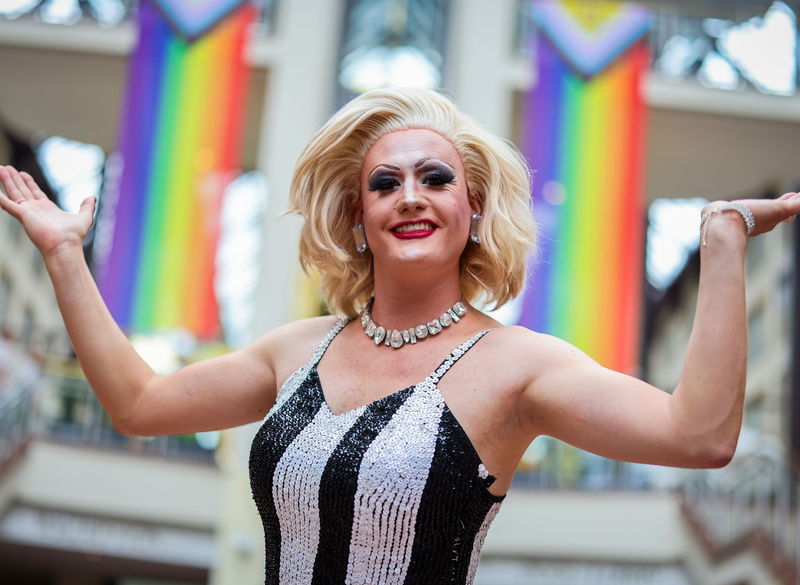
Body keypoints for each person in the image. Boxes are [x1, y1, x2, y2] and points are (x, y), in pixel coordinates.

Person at [1, 87, 798, 584]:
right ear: (359, 218)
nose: (409, 196)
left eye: (436, 177)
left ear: (473, 208)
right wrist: (64, 254)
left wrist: (722, 245)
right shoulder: (296, 349)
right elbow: (137, 402)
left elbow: (699, 437)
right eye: (384, 183)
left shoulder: (518, 367)